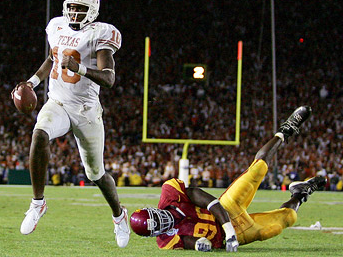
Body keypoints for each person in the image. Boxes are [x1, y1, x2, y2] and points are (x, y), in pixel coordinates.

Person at [12, 0, 130, 247]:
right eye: (72, 7)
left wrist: (81, 69)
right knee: (40, 133)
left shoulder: (100, 34)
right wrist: (31, 82)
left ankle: (119, 216)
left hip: (86, 110)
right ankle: (38, 203)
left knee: (96, 174)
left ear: (93, 11)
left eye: (81, 8)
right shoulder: (56, 26)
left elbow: (109, 78)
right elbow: (52, 59)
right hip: (58, 102)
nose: (75, 13)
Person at [130, 105, 326, 252]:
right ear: (153, 234)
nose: (161, 222)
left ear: (153, 210)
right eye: (156, 226)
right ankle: (300, 193)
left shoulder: (170, 195)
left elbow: (205, 199)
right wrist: (201, 245)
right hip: (233, 236)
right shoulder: (165, 241)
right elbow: (190, 243)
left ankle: (286, 129)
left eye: (155, 217)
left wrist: (228, 228)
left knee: (256, 171)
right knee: (284, 221)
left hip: (226, 209)